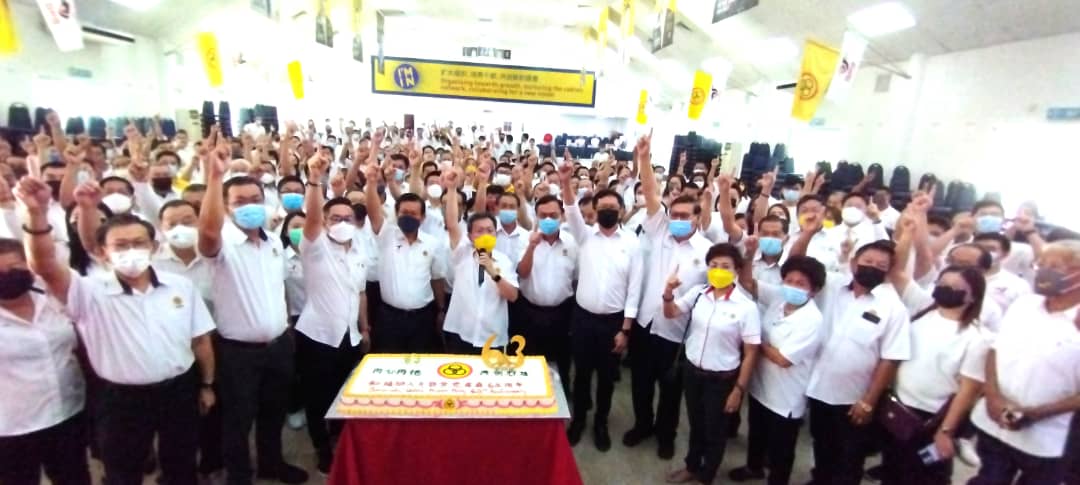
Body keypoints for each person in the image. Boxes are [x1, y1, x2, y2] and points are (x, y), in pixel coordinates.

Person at [19, 175, 216, 485]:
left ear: (153, 246)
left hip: (178, 390)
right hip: (121, 399)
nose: (131, 250)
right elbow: (44, 265)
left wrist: (206, 384)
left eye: (139, 243)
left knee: (181, 465)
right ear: (102, 252)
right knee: (123, 471)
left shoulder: (180, 286)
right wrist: (36, 213)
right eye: (121, 245)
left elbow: (200, 339)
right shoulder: (88, 292)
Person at [196, 127, 308, 485]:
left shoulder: (273, 242)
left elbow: (279, 289)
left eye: (255, 198)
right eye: (239, 201)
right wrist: (215, 177)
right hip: (237, 353)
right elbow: (207, 232)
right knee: (238, 420)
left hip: (278, 345)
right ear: (227, 208)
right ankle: (239, 476)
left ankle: (271, 463)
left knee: (272, 413)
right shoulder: (222, 245)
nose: (249, 205)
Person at [792, 208, 912, 485]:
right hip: (819, 388)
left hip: (854, 398)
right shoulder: (834, 286)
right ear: (855, 262)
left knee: (850, 457)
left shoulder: (893, 308)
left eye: (881, 265)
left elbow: (890, 359)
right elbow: (797, 263)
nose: (872, 267)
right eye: (867, 261)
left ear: (888, 271)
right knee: (822, 445)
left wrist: (869, 401)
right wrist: (807, 233)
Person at [623, 134, 713, 460]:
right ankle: (642, 424)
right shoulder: (660, 231)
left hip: (677, 333)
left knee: (671, 389)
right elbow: (650, 193)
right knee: (641, 383)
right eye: (674, 215)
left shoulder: (707, 252)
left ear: (697, 218)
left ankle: (666, 434)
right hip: (646, 323)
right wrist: (644, 159)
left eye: (685, 216)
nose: (678, 220)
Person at [967, 240, 1080, 485]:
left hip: (1046, 439)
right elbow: (995, 350)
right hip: (994, 423)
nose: (1043, 271)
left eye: (1055, 266)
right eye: (1041, 264)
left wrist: (1035, 414)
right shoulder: (1024, 305)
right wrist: (992, 396)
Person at [559, 158, 644, 452]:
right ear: (594, 212)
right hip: (583, 318)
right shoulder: (584, 236)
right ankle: (580, 419)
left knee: (607, 378)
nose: (607, 211)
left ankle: (600, 423)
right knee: (582, 374)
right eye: (602, 207)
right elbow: (571, 208)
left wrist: (626, 329)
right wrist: (565, 181)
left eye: (612, 207)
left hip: (614, 322)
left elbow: (634, 289)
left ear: (621, 211)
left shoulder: (632, 243)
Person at [661, 243, 761, 485]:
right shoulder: (698, 293)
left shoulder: (746, 307)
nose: (718, 270)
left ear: (737, 270)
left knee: (715, 430)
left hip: (722, 379)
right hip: (693, 372)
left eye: (725, 266)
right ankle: (691, 466)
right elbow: (671, 313)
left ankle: (707, 476)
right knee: (696, 423)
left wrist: (738, 390)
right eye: (714, 265)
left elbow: (751, 353)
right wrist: (668, 293)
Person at [296, 153, 369, 473]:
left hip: (349, 337)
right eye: (335, 218)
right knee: (317, 398)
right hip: (318, 337)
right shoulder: (315, 247)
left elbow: (360, 293)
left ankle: (340, 439)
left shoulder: (358, 250)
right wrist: (315, 180)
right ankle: (322, 449)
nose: (342, 223)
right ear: (325, 223)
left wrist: (364, 328)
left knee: (343, 393)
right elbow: (311, 218)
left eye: (347, 218)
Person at [729, 253, 827, 485]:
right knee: (757, 431)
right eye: (789, 281)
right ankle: (753, 467)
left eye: (801, 284)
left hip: (785, 397)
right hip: (761, 385)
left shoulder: (812, 320)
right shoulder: (778, 299)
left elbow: (783, 359)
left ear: (814, 290)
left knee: (781, 448)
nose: (792, 287)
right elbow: (747, 282)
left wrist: (755, 341)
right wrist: (749, 254)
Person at [0, 237, 91, 485]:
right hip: (12, 426)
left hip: (67, 413)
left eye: (14, 268)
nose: (7, 276)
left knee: (75, 477)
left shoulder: (53, 298)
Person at [363, 132, 448, 353]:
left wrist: (440, 309)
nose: (408, 216)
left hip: (423, 318)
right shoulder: (387, 235)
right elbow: (372, 211)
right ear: (396, 213)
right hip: (389, 318)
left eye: (413, 213)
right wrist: (371, 182)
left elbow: (437, 279)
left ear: (422, 217)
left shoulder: (431, 243)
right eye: (404, 213)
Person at [441, 173, 520, 353]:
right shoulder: (463, 254)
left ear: (495, 234)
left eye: (489, 230)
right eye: (479, 231)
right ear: (470, 236)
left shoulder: (504, 261)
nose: (485, 234)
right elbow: (452, 224)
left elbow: (513, 296)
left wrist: (494, 273)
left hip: (492, 337)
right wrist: (452, 189)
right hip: (461, 332)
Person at [515, 194, 577, 394]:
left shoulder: (572, 242)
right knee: (530, 360)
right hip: (530, 311)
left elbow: (576, 277)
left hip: (562, 311)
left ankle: (563, 397)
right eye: (543, 215)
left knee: (562, 359)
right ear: (536, 216)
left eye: (553, 215)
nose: (548, 219)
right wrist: (532, 246)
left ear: (562, 216)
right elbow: (522, 273)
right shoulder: (524, 239)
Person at [973, 232, 1032, 313]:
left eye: (991, 249)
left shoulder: (1018, 285)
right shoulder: (956, 277)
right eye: (978, 248)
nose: (983, 253)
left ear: (1005, 254)